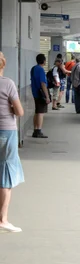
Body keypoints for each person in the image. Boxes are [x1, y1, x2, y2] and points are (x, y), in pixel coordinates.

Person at [0, 51, 25, 233]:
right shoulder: (7, 83)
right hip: (6, 132)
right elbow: (19, 112)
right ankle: (3, 219)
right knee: (5, 175)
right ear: (3, 64)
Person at [30, 53, 51, 139]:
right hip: (40, 93)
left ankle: (35, 130)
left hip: (35, 92)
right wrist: (47, 96)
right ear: (44, 61)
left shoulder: (33, 68)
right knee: (40, 112)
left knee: (37, 111)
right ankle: (38, 130)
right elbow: (43, 84)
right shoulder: (41, 70)